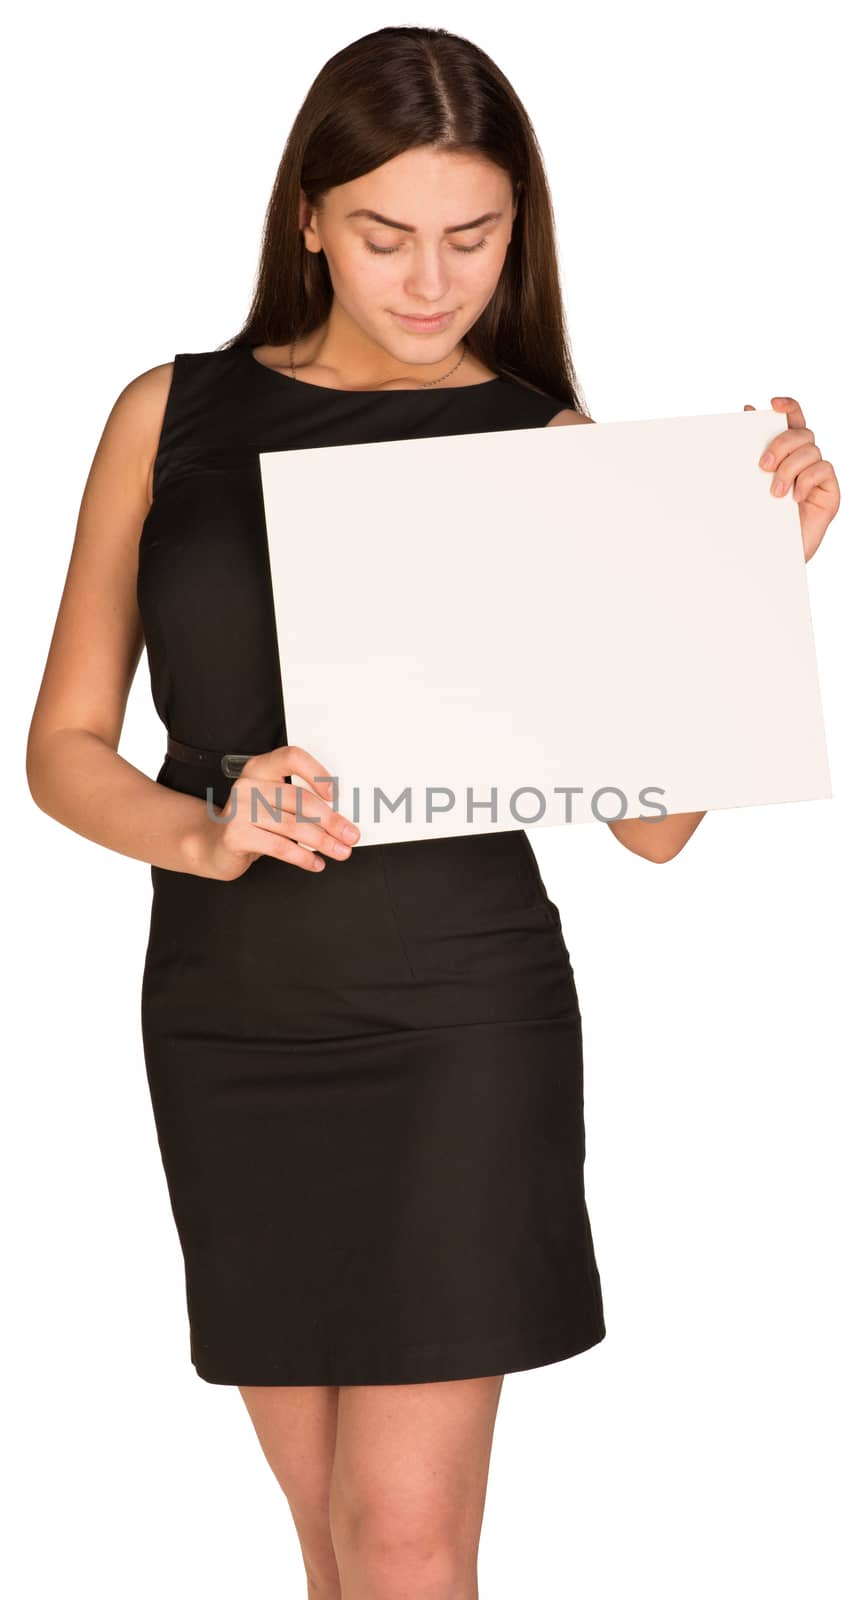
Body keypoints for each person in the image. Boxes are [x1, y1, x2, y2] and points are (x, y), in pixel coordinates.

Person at [25, 23, 840, 1600]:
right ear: (310, 219)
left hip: (458, 1016)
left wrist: (742, 587)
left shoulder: (547, 450)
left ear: (514, 232)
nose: (427, 279)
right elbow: (65, 748)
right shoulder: (168, 414)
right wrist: (206, 828)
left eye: (470, 238)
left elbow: (653, 830)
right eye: (386, 234)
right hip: (230, 1019)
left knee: (406, 1546)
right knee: (328, 1535)